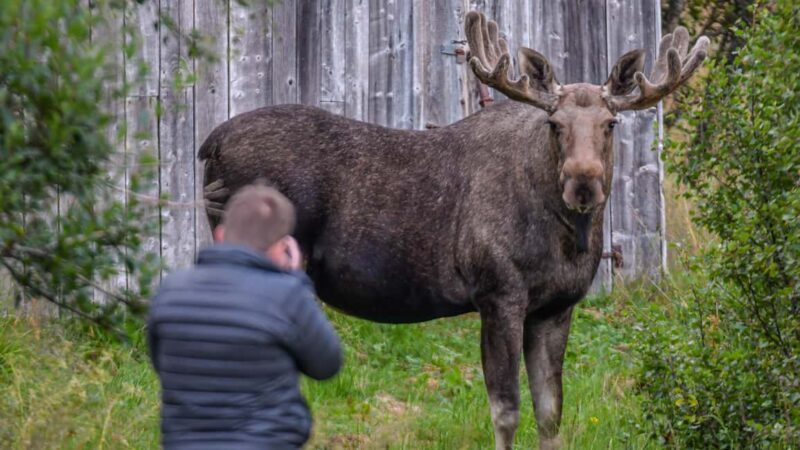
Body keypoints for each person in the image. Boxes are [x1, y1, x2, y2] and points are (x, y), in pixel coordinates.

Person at [147, 184, 342, 450]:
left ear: (220, 234)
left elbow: (161, 364)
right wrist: (297, 281)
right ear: (283, 247)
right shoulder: (287, 296)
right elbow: (327, 365)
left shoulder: (170, 291)